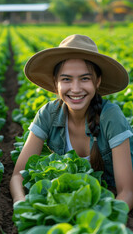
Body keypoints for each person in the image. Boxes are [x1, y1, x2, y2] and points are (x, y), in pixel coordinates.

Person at [10, 34, 133, 210]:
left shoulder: (111, 117)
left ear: (97, 82)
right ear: (55, 83)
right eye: (66, 79)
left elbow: (127, 192)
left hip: (104, 204)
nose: (75, 89)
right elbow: (17, 176)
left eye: (85, 78)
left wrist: (99, 221)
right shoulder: (48, 114)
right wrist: (20, 201)